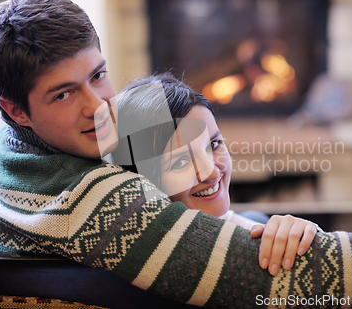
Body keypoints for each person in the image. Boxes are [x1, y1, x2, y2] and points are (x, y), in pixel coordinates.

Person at [0, 0, 352, 307]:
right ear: (14, 109)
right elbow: (262, 280)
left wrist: (256, 226)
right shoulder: (89, 198)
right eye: (63, 93)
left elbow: (207, 228)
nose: (99, 105)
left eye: (98, 75)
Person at [111, 72, 318, 275]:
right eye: (181, 161)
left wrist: (307, 237)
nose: (211, 171)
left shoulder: (247, 227)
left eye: (214, 144)